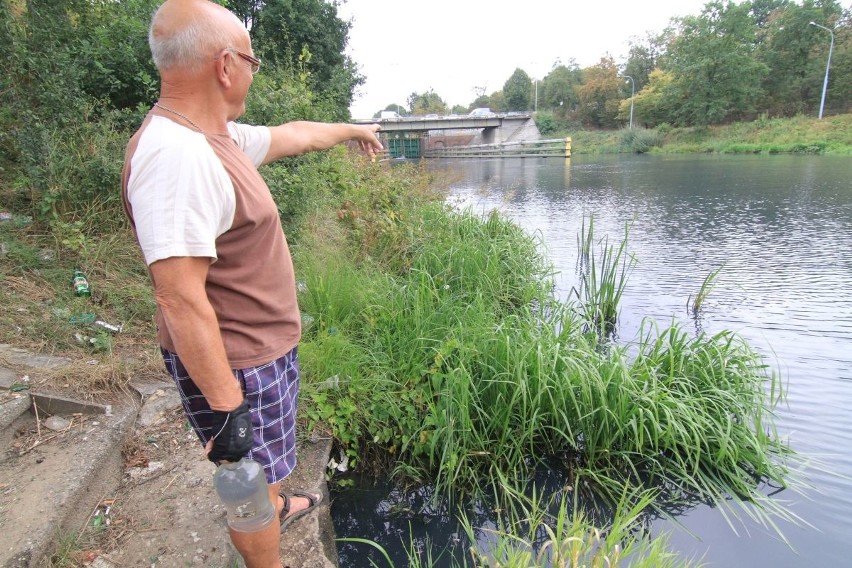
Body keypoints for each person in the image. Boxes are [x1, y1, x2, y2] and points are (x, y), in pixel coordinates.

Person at [120, 1, 382, 566]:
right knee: (246, 485)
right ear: (224, 65)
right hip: (238, 366)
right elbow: (179, 297)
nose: (253, 70)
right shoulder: (176, 158)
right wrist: (228, 411)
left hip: (260, 354)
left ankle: (276, 499)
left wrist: (352, 130)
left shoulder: (215, 137)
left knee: (268, 468)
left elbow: (295, 135)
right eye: (252, 59)